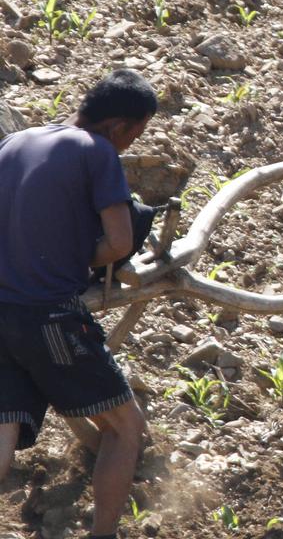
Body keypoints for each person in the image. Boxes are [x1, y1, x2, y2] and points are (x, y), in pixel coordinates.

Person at [0, 69, 157, 539]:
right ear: (121, 127)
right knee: (125, 428)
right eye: (136, 135)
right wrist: (75, 254)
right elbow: (118, 241)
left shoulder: (15, 142)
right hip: (48, 315)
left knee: (3, 428)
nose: (129, 145)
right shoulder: (99, 151)